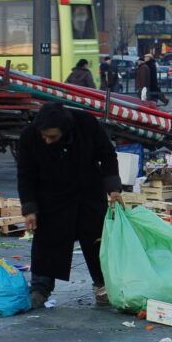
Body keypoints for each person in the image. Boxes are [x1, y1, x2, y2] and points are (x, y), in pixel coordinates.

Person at [16, 102, 125, 309]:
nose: (47, 141)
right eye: (44, 136)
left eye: (53, 137)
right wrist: (29, 208)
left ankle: (103, 285)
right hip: (50, 196)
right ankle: (40, 288)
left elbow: (107, 155)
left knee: (96, 239)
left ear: (65, 131)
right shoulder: (30, 135)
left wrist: (113, 188)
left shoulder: (86, 124)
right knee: (47, 241)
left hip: (88, 191)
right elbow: (25, 174)